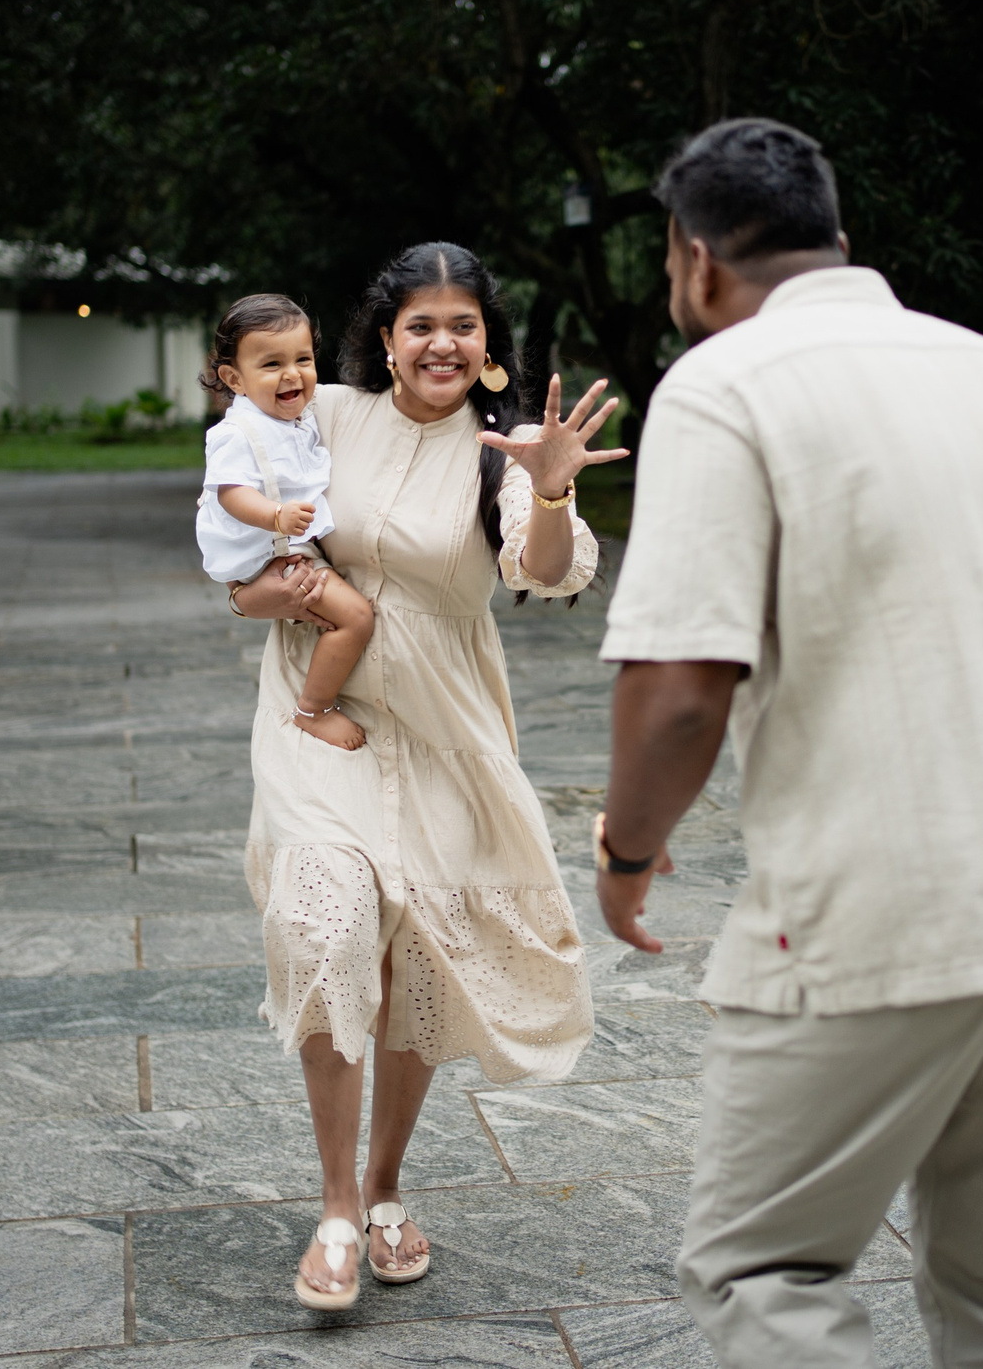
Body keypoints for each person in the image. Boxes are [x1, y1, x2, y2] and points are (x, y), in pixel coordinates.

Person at [592, 119, 983, 1368]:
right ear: (840, 241)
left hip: (887, 905)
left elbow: (681, 688)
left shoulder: (725, 383)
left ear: (692, 260)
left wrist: (626, 851)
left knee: (764, 1268)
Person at [219, 242, 628, 1312]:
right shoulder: (329, 417)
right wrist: (263, 585)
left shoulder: (504, 453)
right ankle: (338, 1210)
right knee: (324, 922)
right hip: (323, 713)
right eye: (420, 324)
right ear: (387, 339)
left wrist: (546, 493)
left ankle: (390, 1186)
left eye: (463, 324)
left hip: (446, 726)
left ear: (489, 344)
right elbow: (238, 509)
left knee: (419, 961)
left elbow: (544, 576)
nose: (442, 342)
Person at [196, 293, 377, 750]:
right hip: (268, 553)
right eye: (271, 364)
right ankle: (313, 708)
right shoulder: (238, 433)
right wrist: (276, 516)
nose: (292, 373)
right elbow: (231, 492)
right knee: (355, 618)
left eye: (303, 358)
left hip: (284, 546)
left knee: (338, 613)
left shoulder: (299, 417)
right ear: (234, 378)